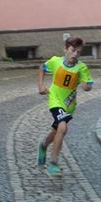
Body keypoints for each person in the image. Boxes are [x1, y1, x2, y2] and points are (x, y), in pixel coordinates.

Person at [37, 36, 94, 176]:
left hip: (69, 104)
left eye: (78, 52)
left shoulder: (82, 67)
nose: (75, 54)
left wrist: (87, 86)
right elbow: (42, 67)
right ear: (65, 49)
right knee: (63, 127)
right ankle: (53, 163)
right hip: (55, 99)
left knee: (57, 131)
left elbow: (88, 84)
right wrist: (41, 85)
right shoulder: (55, 61)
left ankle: (43, 145)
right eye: (72, 50)